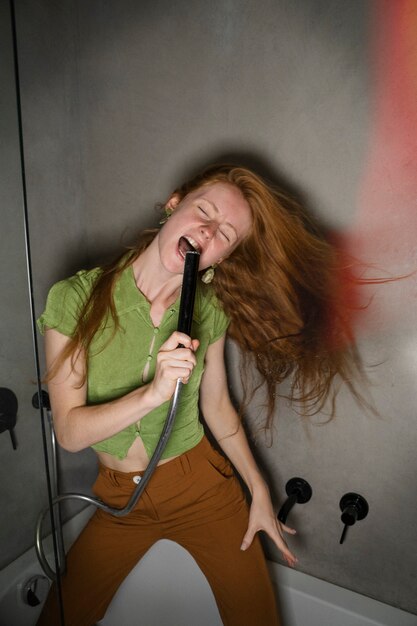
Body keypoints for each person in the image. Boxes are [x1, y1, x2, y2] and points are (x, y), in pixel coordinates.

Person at [37, 164, 360, 626]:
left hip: (203, 491)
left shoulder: (208, 310)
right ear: (174, 205)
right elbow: (68, 432)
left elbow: (218, 407)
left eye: (225, 234)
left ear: (221, 257)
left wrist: (259, 490)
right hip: (118, 501)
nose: (207, 232)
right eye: (203, 212)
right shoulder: (76, 298)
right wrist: (152, 394)